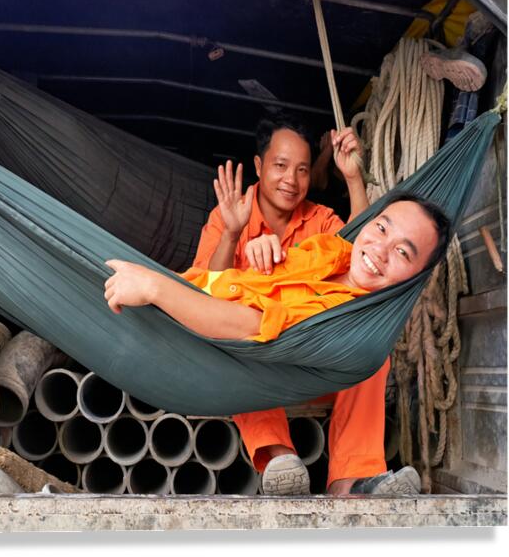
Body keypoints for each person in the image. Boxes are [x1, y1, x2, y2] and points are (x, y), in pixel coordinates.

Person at [103, 192, 451, 496]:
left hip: (226, 334)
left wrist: (155, 288)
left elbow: (247, 327)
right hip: (187, 312)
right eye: (381, 228)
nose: (381, 249)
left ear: (416, 279)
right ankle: (285, 456)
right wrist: (265, 251)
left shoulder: (349, 323)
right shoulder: (330, 249)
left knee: (365, 354)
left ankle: (345, 477)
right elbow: (261, 288)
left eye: (403, 252)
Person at [194, 114, 366, 276]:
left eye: (302, 170)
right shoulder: (226, 217)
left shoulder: (321, 220)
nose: (291, 179)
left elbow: (359, 254)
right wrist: (231, 236)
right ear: (258, 166)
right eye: (280, 165)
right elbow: (205, 290)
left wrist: (353, 177)